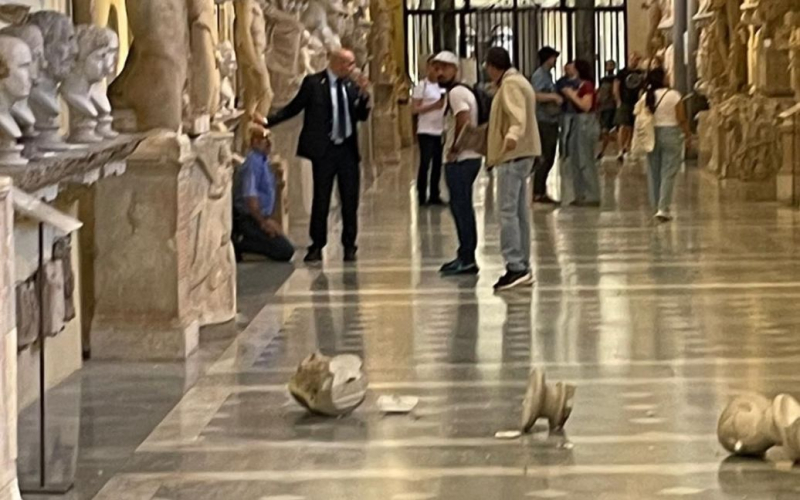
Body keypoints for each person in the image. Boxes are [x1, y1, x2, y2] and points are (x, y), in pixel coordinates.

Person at [261, 48, 371, 264]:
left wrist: (364, 97)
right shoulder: (313, 83)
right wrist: (267, 121)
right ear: (337, 63)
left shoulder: (350, 85)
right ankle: (317, 245)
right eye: (349, 64)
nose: (353, 68)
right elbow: (294, 108)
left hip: (347, 150)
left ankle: (349, 245)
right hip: (325, 151)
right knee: (321, 198)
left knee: (350, 199)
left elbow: (360, 116)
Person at [484, 47, 540, 291]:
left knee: (507, 212)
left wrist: (512, 136)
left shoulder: (511, 85)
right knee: (518, 212)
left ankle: (515, 265)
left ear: (493, 66)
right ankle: (522, 265)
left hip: (513, 155)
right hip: (521, 154)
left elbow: (518, 116)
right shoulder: (519, 81)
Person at [434, 50, 483, 276]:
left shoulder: (456, 93)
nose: (440, 72)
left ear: (456, 70)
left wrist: (455, 148)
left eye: (445, 68)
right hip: (468, 158)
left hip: (461, 159)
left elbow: (462, 119)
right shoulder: (463, 91)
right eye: (437, 68)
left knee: (461, 207)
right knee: (461, 207)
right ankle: (464, 254)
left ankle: (467, 258)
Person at [233, 126, 295, 262]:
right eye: (264, 140)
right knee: (285, 250)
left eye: (268, 139)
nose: (268, 143)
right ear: (254, 142)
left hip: (260, 217)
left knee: (286, 245)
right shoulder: (252, 163)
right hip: (250, 219)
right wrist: (264, 222)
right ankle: (239, 244)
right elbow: (250, 198)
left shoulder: (263, 160)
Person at [637, 68, 691, 222]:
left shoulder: (647, 96)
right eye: (666, 75)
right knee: (668, 171)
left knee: (654, 171)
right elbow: (681, 118)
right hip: (671, 133)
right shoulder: (673, 95)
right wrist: (688, 135)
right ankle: (663, 208)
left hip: (652, 134)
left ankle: (656, 205)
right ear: (661, 79)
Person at [561, 59, 601, 207]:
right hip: (578, 122)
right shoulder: (581, 85)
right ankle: (581, 193)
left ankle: (591, 194)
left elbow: (586, 105)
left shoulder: (587, 86)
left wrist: (572, 95)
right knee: (576, 158)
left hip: (585, 122)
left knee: (585, 159)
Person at [412, 55, 446, 206]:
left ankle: (434, 193)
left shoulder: (442, 86)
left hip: (440, 129)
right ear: (428, 68)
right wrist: (434, 106)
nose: (437, 71)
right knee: (426, 163)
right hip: (426, 130)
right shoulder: (422, 86)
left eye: (440, 68)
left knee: (438, 163)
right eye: (435, 68)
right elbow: (414, 109)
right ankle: (421, 194)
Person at [530, 46, 562, 205]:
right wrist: (553, 97)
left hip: (551, 120)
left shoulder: (548, 75)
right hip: (543, 120)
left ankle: (540, 190)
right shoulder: (539, 75)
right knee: (545, 156)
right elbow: (535, 94)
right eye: (553, 58)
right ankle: (537, 192)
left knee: (549, 156)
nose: (555, 61)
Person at [614, 52, 645, 163]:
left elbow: (642, 87)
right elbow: (616, 86)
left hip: (636, 102)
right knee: (623, 125)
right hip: (625, 101)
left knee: (632, 125)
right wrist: (618, 100)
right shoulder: (622, 73)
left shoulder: (641, 73)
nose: (634, 61)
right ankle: (620, 149)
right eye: (633, 59)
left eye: (637, 59)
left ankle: (628, 147)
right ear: (629, 59)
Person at [597, 59, 617, 159]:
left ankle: (604, 150)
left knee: (607, 129)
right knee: (604, 129)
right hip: (603, 106)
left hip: (610, 106)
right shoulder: (603, 79)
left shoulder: (615, 79)